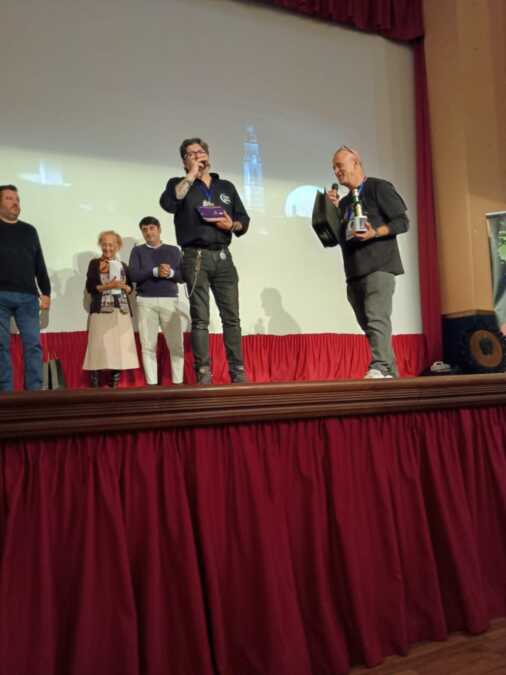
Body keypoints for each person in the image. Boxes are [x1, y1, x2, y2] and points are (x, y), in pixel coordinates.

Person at [160, 137, 250, 384]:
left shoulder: (226, 187)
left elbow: (243, 220)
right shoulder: (177, 184)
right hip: (195, 256)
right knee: (200, 319)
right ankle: (203, 372)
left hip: (223, 257)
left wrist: (232, 225)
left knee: (231, 317)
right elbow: (169, 204)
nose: (197, 155)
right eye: (190, 154)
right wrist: (191, 174)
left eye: (200, 151)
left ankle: (237, 371)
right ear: (184, 161)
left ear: (208, 155)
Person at [326, 146, 409, 378]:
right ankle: (390, 372)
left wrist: (375, 232)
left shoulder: (378, 187)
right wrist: (330, 212)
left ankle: (380, 366)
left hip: (379, 266)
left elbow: (402, 222)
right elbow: (337, 239)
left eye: (340, 166)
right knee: (369, 325)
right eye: (334, 168)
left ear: (356, 163)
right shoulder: (344, 204)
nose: (336, 171)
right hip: (354, 271)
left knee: (376, 318)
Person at [0, 184, 51, 391]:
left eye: (17, 199)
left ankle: (34, 392)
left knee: (33, 345)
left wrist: (46, 291)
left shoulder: (29, 231)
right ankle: (5, 393)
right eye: (9, 199)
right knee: (1, 346)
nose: (15, 203)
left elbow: (39, 263)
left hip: (28, 297)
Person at [129, 216, 185, 385]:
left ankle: (178, 384)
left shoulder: (174, 250)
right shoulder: (137, 251)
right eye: (144, 230)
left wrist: (170, 273)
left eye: (152, 228)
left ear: (159, 230)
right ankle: (151, 386)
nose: (148, 232)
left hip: (170, 300)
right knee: (148, 346)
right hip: (145, 301)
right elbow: (133, 275)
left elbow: (183, 277)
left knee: (176, 345)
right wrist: (154, 272)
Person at [82, 230, 139, 387]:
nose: (107, 248)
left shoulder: (123, 266)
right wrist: (109, 286)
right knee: (97, 347)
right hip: (100, 311)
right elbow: (91, 287)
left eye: (111, 245)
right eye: (104, 244)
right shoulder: (94, 263)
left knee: (119, 348)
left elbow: (131, 288)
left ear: (118, 246)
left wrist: (125, 288)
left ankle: (114, 385)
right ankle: (95, 386)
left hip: (120, 310)